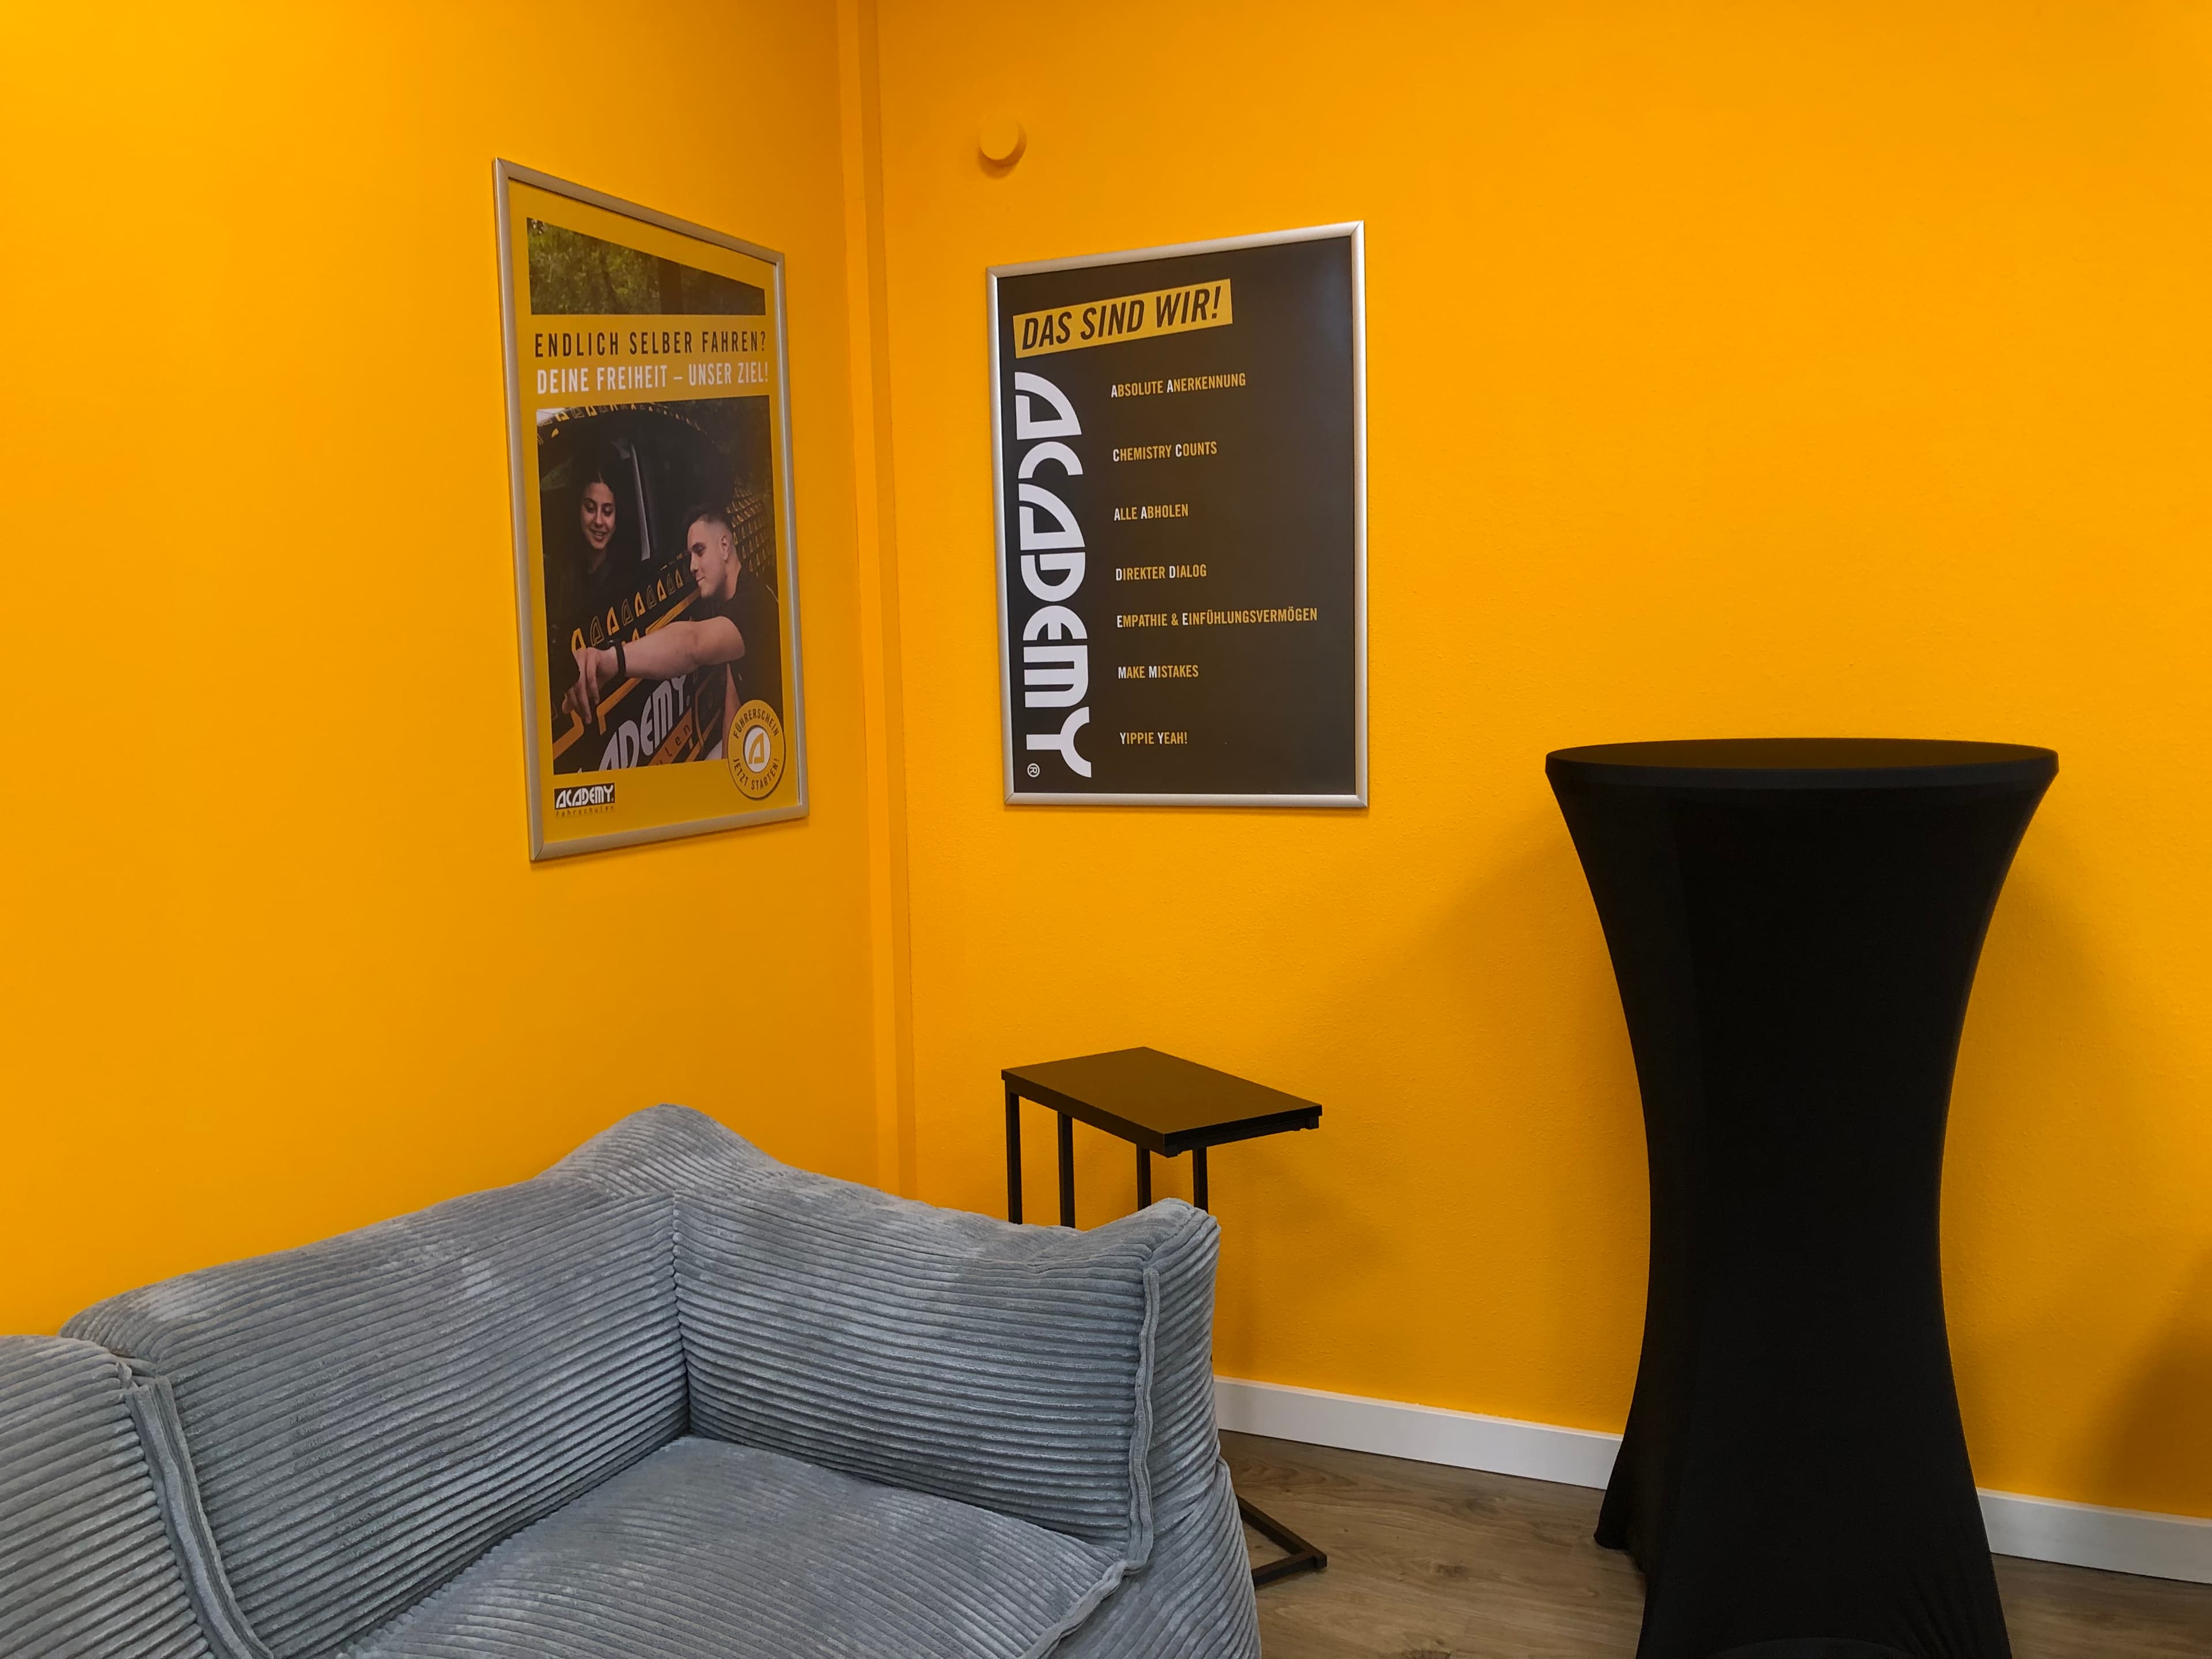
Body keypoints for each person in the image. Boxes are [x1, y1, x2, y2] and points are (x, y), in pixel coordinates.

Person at [563, 502, 779, 760]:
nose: (692, 566)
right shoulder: (736, 603)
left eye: (700, 551)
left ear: (724, 546)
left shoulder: (752, 602)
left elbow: (693, 644)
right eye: (690, 556)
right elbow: (734, 701)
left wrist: (611, 659)